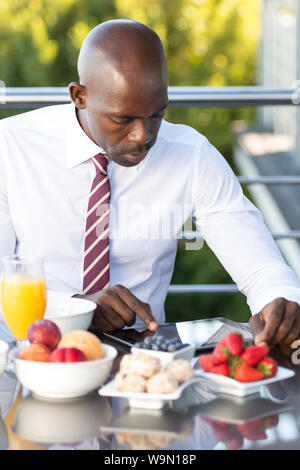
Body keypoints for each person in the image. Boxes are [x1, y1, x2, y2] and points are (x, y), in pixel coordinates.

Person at [0, 20, 300, 351]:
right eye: (123, 119)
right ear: (80, 96)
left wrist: (279, 300)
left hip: (144, 363)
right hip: (30, 355)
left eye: (156, 113)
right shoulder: (11, 148)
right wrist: (77, 309)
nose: (144, 135)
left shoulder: (191, 155)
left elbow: (258, 264)